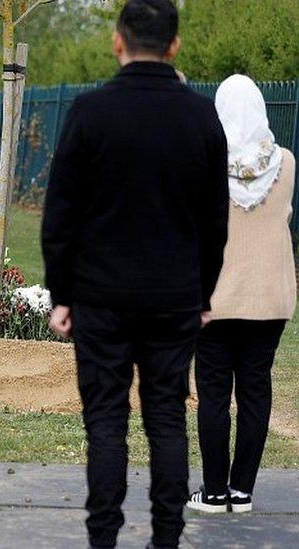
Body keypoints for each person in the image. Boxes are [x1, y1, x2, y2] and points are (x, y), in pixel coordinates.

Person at [40, 1, 229, 547]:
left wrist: (63, 292)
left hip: (101, 296)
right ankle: (166, 538)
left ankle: (104, 538)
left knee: (105, 421)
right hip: (174, 297)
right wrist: (203, 291)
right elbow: (214, 219)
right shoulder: (200, 117)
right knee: (167, 418)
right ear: (174, 46)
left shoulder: (90, 113)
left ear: (117, 42)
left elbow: (61, 214)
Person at [187, 74, 296, 515]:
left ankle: (213, 492)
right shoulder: (287, 163)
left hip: (214, 296)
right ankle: (242, 490)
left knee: (213, 391)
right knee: (256, 387)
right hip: (270, 296)